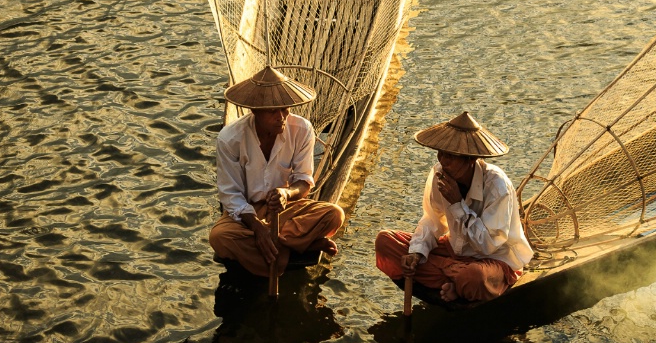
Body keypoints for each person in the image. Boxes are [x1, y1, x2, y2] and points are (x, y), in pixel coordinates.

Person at [375, 112, 534, 303]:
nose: (443, 161)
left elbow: (488, 245)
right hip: (455, 250)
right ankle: (453, 280)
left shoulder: (496, 185)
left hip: (494, 258)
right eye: (440, 153)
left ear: (469, 159)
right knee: (386, 242)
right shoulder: (439, 174)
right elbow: (432, 221)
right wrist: (416, 253)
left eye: (451, 156)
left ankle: (456, 280)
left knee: (474, 278)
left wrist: (458, 204)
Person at [209, 65, 344, 277]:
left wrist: (286, 193)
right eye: (273, 111)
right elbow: (231, 195)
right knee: (220, 237)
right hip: (247, 213)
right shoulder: (230, 139)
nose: (281, 116)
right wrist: (257, 227)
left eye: (285, 108)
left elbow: (303, 181)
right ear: (255, 111)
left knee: (334, 214)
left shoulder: (301, 129)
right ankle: (300, 245)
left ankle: (274, 245)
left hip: (284, 209)